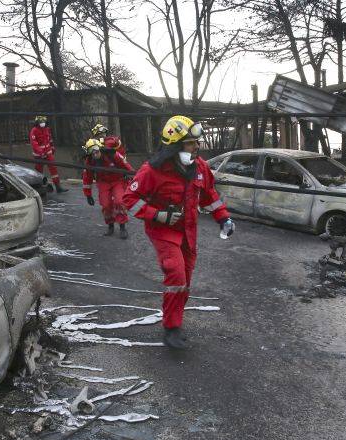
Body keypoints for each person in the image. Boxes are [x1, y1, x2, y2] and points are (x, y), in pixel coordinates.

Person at [122, 115, 235, 349]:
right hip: (163, 232)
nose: (197, 147)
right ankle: (171, 328)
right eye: (191, 143)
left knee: (185, 282)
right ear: (175, 145)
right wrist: (157, 215)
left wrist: (223, 217)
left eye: (196, 142)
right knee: (176, 275)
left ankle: (176, 321)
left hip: (189, 231)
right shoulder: (152, 171)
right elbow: (129, 199)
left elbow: (209, 196)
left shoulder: (200, 167)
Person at [82, 138, 133, 239]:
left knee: (119, 201)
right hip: (103, 182)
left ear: (100, 149)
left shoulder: (112, 154)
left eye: (96, 152)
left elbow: (126, 166)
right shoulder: (90, 162)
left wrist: (132, 176)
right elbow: (87, 178)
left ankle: (122, 227)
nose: (95, 155)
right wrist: (88, 195)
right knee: (106, 204)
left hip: (117, 180)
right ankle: (110, 226)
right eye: (92, 153)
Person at [30, 115, 67, 193]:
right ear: (37, 122)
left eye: (43, 122)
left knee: (53, 169)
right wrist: (41, 152)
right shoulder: (34, 130)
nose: (42, 123)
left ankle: (58, 187)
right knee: (38, 171)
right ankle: (39, 187)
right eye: (41, 122)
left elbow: (49, 139)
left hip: (48, 152)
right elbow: (34, 143)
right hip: (39, 155)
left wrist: (52, 147)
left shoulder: (47, 129)